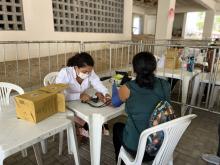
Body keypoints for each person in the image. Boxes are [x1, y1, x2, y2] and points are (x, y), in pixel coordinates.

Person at [113, 51, 171, 163]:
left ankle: (121, 161)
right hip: (162, 145)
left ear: (134, 69)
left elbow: (115, 102)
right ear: (154, 68)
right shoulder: (165, 85)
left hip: (138, 149)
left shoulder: (128, 87)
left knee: (117, 127)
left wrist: (114, 87)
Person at [56, 52, 111, 137]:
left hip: (81, 102)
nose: (87, 74)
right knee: (89, 122)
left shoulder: (89, 71)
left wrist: (106, 93)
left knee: (98, 116)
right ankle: (82, 130)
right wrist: (79, 96)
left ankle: (88, 130)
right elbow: (58, 97)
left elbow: (97, 83)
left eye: (89, 72)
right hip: (67, 104)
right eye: (84, 71)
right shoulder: (65, 73)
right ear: (76, 67)